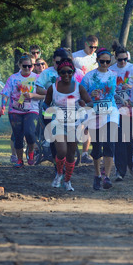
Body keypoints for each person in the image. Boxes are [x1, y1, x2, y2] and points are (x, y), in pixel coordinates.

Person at [44, 58, 92, 191]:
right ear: (59, 73)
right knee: (62, 151)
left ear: (73, 72)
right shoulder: (53, 88)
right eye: (63, 72)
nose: (66, 75)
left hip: (73, 124)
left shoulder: (79, 87)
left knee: (71, 154)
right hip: (57, 122)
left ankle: (67, 180)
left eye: (69, 72)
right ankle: (59, 174)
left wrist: (84, 104)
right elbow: (45, 104)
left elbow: (90, 102)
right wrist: (47, 119)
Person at [80, 48, 119, 190]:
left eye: (107, 62)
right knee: (97, 147)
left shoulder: (114, 75)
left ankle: (107, 176)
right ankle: (97, 175)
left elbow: (119, 92)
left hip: (111, 112)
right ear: (97, 61)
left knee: (109, 143)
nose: (105, 64)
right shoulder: (89, 77)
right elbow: (82, 97)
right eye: (102, 61)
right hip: (95, 114)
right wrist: (90, 94)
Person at [1, 55, 46, 167]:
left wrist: (32, 95)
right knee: (18, 135)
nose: (27, 68)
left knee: (29, 132)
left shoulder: (37, 78)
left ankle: (31, 152)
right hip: (15, 110)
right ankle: (19, 160)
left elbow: (43, 95)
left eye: (30, 66)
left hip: (31, 109)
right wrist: (2, 106)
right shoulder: (13, 78)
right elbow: (5, 93)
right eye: (24, 66)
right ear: (20, 65)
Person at [109, 43, 133, 181]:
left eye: (125, 59)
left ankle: (130, 162)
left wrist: (132, 86)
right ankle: (120, 171)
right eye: (120, 60)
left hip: (131, 108)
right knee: (119, 140)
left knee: (128, 140)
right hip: (116, 108)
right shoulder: (111, 70)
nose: (122, 62)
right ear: (115, 58)